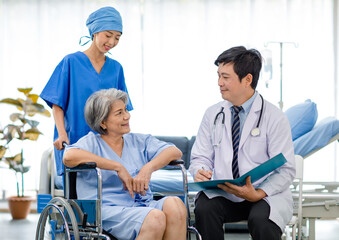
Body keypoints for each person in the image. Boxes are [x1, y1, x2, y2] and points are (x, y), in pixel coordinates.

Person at [189, 46, 296, 240]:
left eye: (226, 77)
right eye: (218, 76)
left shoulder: (274, 117)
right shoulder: (213, 114)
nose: (219, 83)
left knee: (261, 220)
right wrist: (201, 170)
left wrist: (259, 192)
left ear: (247, 79)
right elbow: (200, 157)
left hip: (264, 193)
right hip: (226, 193)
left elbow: (286, 169)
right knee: (205, 208)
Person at [63, 88, 187, 240]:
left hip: (142, 205)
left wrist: (147, 169)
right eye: (119, 113)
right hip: (107, 210)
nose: (127, 116)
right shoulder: (91, 143)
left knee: (176, 206)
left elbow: (174, 151)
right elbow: (69, 157)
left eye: (126, 110)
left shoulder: (140, 141)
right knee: (155, 218)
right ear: (102, 122)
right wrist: (117, 166)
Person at [40, 6, 133, 178]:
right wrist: (62, 134)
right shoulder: (71, 62)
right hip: (75, 141)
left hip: (107, 144)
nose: (112, 42)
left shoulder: (116, 68)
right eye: (108, 35)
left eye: (117, 37)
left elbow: (123, 109)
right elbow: (57, 103)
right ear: (95, 32)